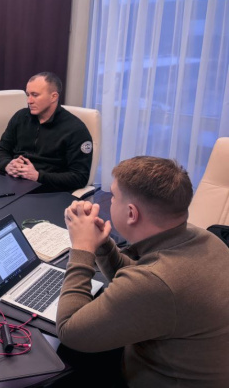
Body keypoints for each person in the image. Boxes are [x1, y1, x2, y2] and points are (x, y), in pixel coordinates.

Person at [57, 157, 229, 387]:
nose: (109, 201)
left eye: (113, 196)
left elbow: (69, 331)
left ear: (131, 213)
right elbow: (142, 278)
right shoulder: (206, 239)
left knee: (62, 361)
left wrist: (81, 248)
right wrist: (102, 245)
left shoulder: (155, 282)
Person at [0, 72, 92, 192]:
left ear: (53, 97)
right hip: (13, 182)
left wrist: (38, 176)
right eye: (28, 95)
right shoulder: (20, 117)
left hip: (48, 189)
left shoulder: (76, 129)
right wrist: (7, 165)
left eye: (35, 95)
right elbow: (1, 149)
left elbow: (80, 177)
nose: (29, 101)